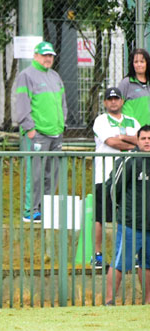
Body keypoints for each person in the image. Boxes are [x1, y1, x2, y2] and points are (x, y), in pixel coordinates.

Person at [15, 41, 67, 223]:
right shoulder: (26, 75)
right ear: (36, 56)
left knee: (52, 175)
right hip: (38, 134)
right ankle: (31, 210)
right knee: (35, 174)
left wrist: (62, 125)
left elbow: (62, 104)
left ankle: (47, 209)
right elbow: (22, 104)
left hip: (56, 133)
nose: (48, 59)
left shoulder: (55, 76)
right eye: (45, 55)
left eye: (50, 55)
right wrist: (30, 128)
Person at [91, 87, 139, 270]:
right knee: (100, 216)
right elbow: (110, 142)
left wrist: (124, 138)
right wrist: (130, 142)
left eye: (116, 98)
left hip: (128, 176)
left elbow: (141, 140)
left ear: (122, 101)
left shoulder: (132, 121)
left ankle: (127, 254)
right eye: (109, 99)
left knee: (128, 216)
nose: (113, 102)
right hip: (104, 174)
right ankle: (97, 254)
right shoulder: (101, 120)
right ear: (105, 103)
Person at [105, 125, 150, 305]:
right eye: (144, 138)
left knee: (148, 264)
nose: (147, 142)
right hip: (131, 223)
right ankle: (109, 302)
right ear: (137, 141)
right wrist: (123, 211)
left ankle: (147, 303)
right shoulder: (130, 160)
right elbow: (113, 188)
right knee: (120, 263)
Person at [118, 48, 150, 127]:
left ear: (147, 63)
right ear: (132, 64)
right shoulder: (126, 83)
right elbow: (117, 105)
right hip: (133, 131)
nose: (139, 64)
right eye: (136, 62)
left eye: (142, 62)